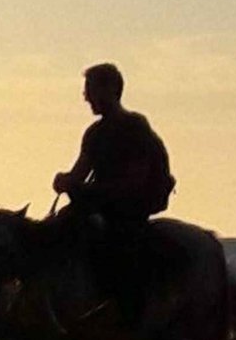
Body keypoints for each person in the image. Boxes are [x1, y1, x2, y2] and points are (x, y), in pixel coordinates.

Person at [52, 63, 175, 325]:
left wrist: (88, 191)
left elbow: (133, 182)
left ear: (110, 90)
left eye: (90, 90)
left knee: (120, 250)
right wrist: (64, 181)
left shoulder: (135, 128)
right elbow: (79, 172)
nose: (86, 97)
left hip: (127, 213)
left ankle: (128, 314)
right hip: (97, 207)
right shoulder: (94, 134)